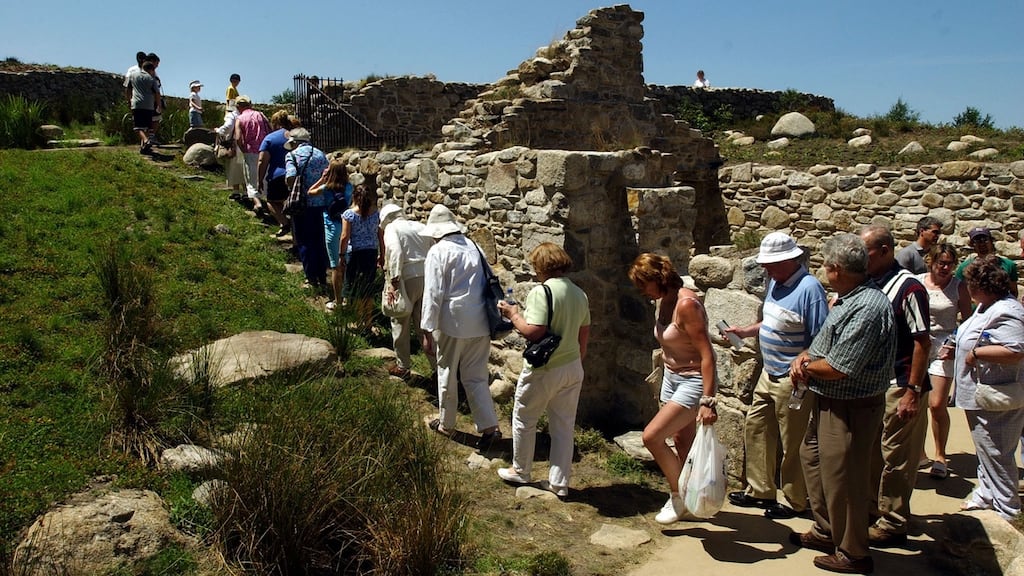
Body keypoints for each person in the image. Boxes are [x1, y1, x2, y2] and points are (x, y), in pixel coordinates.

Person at [788, 233, 895, 575]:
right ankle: (826, 529)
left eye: (825, 266)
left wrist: (804, 366)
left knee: (845, 478)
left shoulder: (867, 307)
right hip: (828, 401)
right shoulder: (847, 299)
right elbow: (821, 346)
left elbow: (838, 366)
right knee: (814, 459)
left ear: (836, 269)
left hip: (851, 407)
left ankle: (853, 551)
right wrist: (805, 357)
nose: (823, 271)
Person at [724, 233, 828, 520]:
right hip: (769, 372)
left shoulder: (810, 289)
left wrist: (804, 358)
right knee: (756, 427)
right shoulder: (776, 283)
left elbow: (821, 337)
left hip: (793, 380)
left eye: (772, 264)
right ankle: (760, 490)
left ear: (791, 260)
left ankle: (796, 500)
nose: (767, 270)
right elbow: (772, 321)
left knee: (793, 441)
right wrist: (746, 331)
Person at [627, 253, 717, 525]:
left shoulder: (687, 304)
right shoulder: (662, 300)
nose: (642, 292)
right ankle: (695, 499)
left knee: (652, 437)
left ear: (658, 279)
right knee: (681, 440)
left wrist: (707, 401)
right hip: (672, 377)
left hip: (693, 381)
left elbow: (707, 354)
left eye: (643, 285)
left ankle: (678, 496)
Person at [496, 243, 591, 499]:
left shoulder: (542, 292)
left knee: (524, 418)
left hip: (545, 367)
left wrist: (513, 314)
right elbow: (584, 335)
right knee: (563, 426)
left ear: (542, 266)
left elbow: (533, 331)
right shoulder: (580, 294)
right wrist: (576, 361)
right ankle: (559, 483)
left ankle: (521, 470)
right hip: (572, 366)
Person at [860, 225, 931, 548]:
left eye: (867, 253)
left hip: (901, 383)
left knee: (897, 456)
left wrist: (912, 390)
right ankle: (875, 511)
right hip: (875, 382)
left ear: (886, 251)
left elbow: (921, 341)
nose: (862, 259)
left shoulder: (910, 288)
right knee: (874, 452)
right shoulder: (871, 283)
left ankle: (894, 520)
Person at [420, 205, 501, 448]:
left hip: (452, 323)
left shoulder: (438, 251)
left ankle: (446, 423)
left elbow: (433, 293)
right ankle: (490, 427)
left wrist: (427, 329)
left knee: (447, 371)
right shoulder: (474, 247)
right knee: (476, 376)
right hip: (481, 321)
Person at [954, 255, 1024, 519]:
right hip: (981, 395)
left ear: (980, 285)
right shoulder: (986, 306)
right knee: (986, 450)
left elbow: (1015, 350)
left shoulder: (1007, 310)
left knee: (998, 453)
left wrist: (977, 354)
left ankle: (1008, 510)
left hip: (997, 397)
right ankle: (986, 494)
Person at [916, 243, 971, 480]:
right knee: (915, 401)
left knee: (937, 404)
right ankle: (918, 452)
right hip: (918, 343)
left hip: (943, 346)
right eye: (941, 263)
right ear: (932, 261)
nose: (945, 268)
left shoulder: (959, 287)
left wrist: (955, 344)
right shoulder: (917, 282)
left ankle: (940, 455)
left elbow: (969, 322)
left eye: (950, 263)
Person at [379, 203, 433, 378]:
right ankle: (438, 367)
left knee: (400, 319)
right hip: (427, 276)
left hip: (406, 277)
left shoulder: (392, 228)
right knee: (424, 324)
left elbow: (395, 251)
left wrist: (394, 279)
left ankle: (403, 366)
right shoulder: (420, 226)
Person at [284, 128, 330, 291]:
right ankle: (323, 277)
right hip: (322, 203)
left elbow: (290, 178)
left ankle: (311, 278)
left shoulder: (292, 155)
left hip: (302, 204)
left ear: (294, 142)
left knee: (305, 241)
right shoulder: (321, 154)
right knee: (320, 241)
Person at [307, 158, 352, 310]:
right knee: (346, 264)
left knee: (335, 266)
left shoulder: (326, 188)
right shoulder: (349, 187)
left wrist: (321, 179)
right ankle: (348, 298)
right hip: (347, 227)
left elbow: (310, 192)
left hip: (332, 228)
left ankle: (338, 301)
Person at [338, 184, 382, 326]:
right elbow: (381, 236)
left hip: (355, 253)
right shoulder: (376, 214)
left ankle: (357, 321)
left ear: (355, 197)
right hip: (371, 252)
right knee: (367, 288)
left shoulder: (349, 215)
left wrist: (341, 254)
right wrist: (382, 254)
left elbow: (345, 236)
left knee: (354, 288)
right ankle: (368, 321)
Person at [257, 110, 299, 237]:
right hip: (296, 176)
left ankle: (284, 223)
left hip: (277, 176)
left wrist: (260, 180)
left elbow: (261, 161)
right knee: (293, 209)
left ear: (275, 123)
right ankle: (296, 241)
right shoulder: (295, 137)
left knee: (272, 202)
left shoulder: (270, 138)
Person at [955, 227, 1018, 298]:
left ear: (991, 241)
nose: (982, 244)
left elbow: (1013, 291)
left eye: (985, 240)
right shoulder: (964, 267)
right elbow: (958, 291)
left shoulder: (1008, 265)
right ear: (972, 245)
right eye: (977, 241)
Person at [233, 96, 271, 211]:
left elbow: (238, 138)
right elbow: (270, 130)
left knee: (251, 177)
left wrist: (243, 149)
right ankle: (270, 200)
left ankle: (257, 202)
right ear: (250, 105)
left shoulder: (240, 118)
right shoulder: (261, 115)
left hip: (250, 150)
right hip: (265, 150)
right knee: (265, 175)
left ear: (239, 107)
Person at [126, 59, 159, 154]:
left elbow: (128, 89)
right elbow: (157, 93)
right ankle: (144, 147)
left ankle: (145, 140)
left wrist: (129, 100)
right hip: (149, 105)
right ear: (151, 70)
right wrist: (159, 105)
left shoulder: (133, 75)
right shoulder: (152, 78)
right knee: (148, 127)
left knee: (138, 127)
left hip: (137, 103)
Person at [213, 107, 245, 198]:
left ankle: (236, 191)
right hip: (246, 145)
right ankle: (246, 192)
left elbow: (227, 127)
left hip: (234, 146)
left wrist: (218, 130)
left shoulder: (232, 116)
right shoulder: (247, 115)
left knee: (234, 167)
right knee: (243, 168)